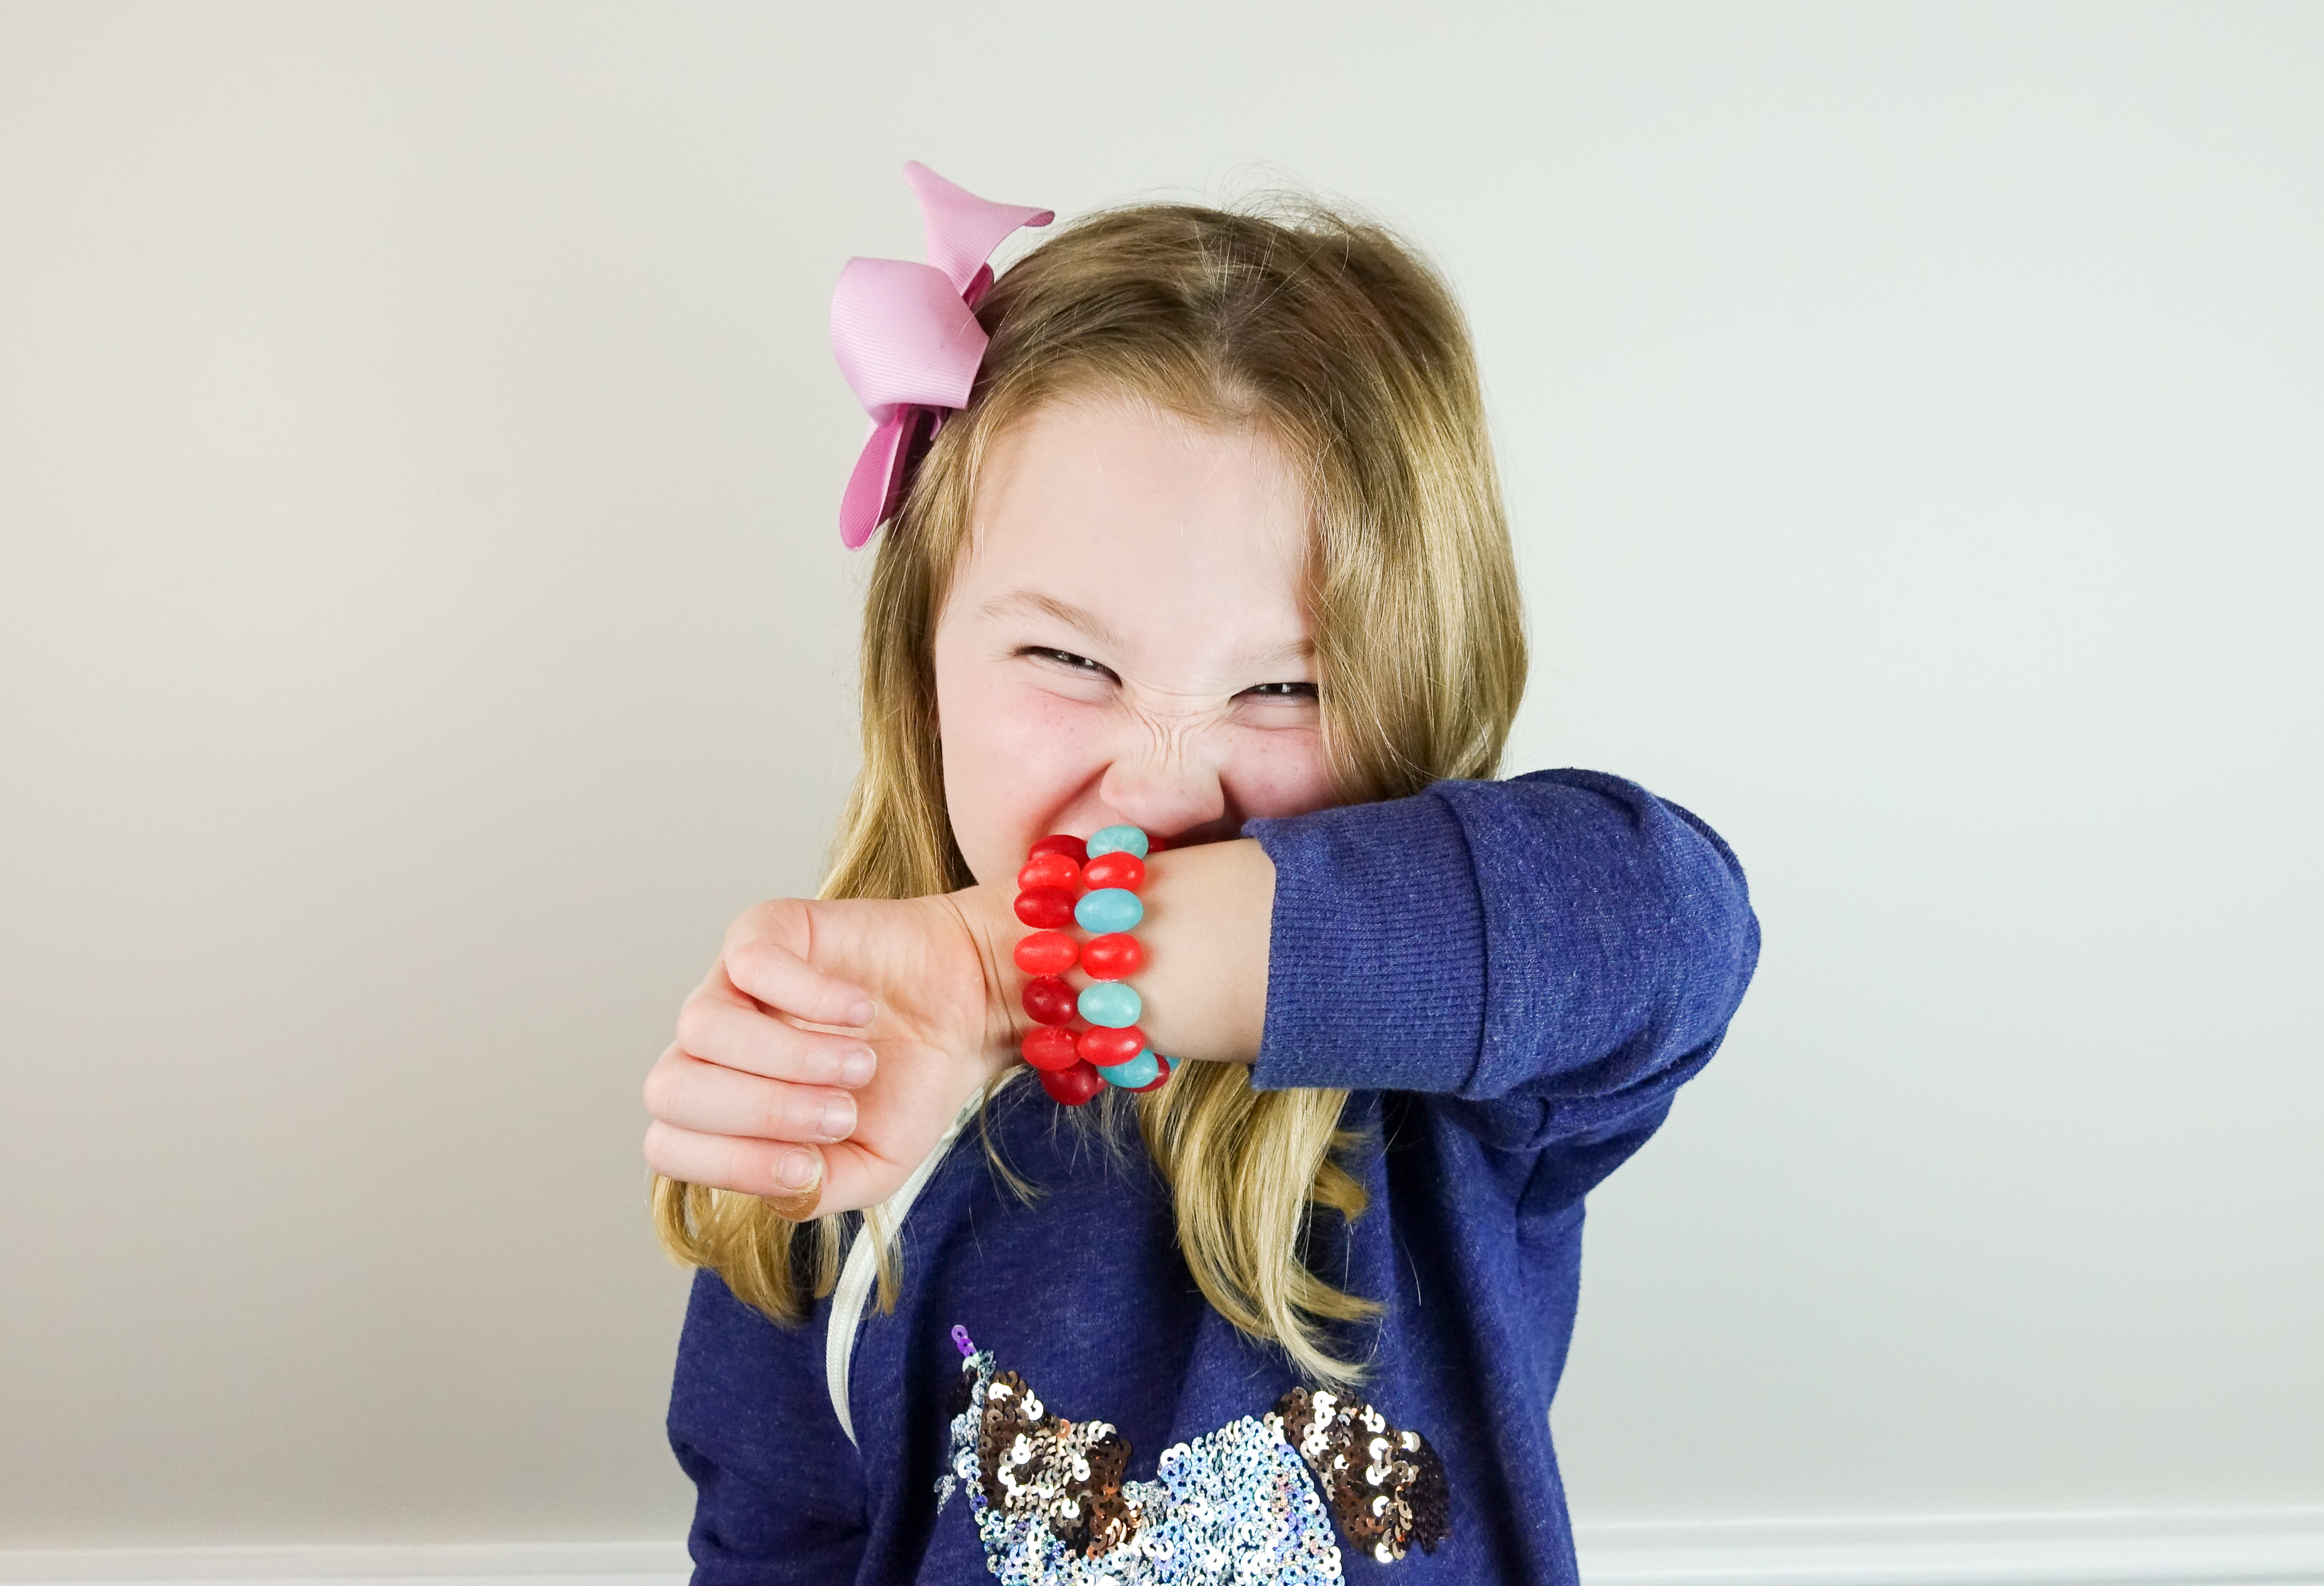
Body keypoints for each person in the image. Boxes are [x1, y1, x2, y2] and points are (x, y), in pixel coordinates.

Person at [642, 162, 1760, 1585]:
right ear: (918, 661)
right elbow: (773, 1540)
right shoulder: (834, 1098)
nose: (1163, 783)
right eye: (1067, 658)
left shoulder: (1465, 1072)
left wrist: (1021, 963)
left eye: (1287, 688)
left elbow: (1675, 925)